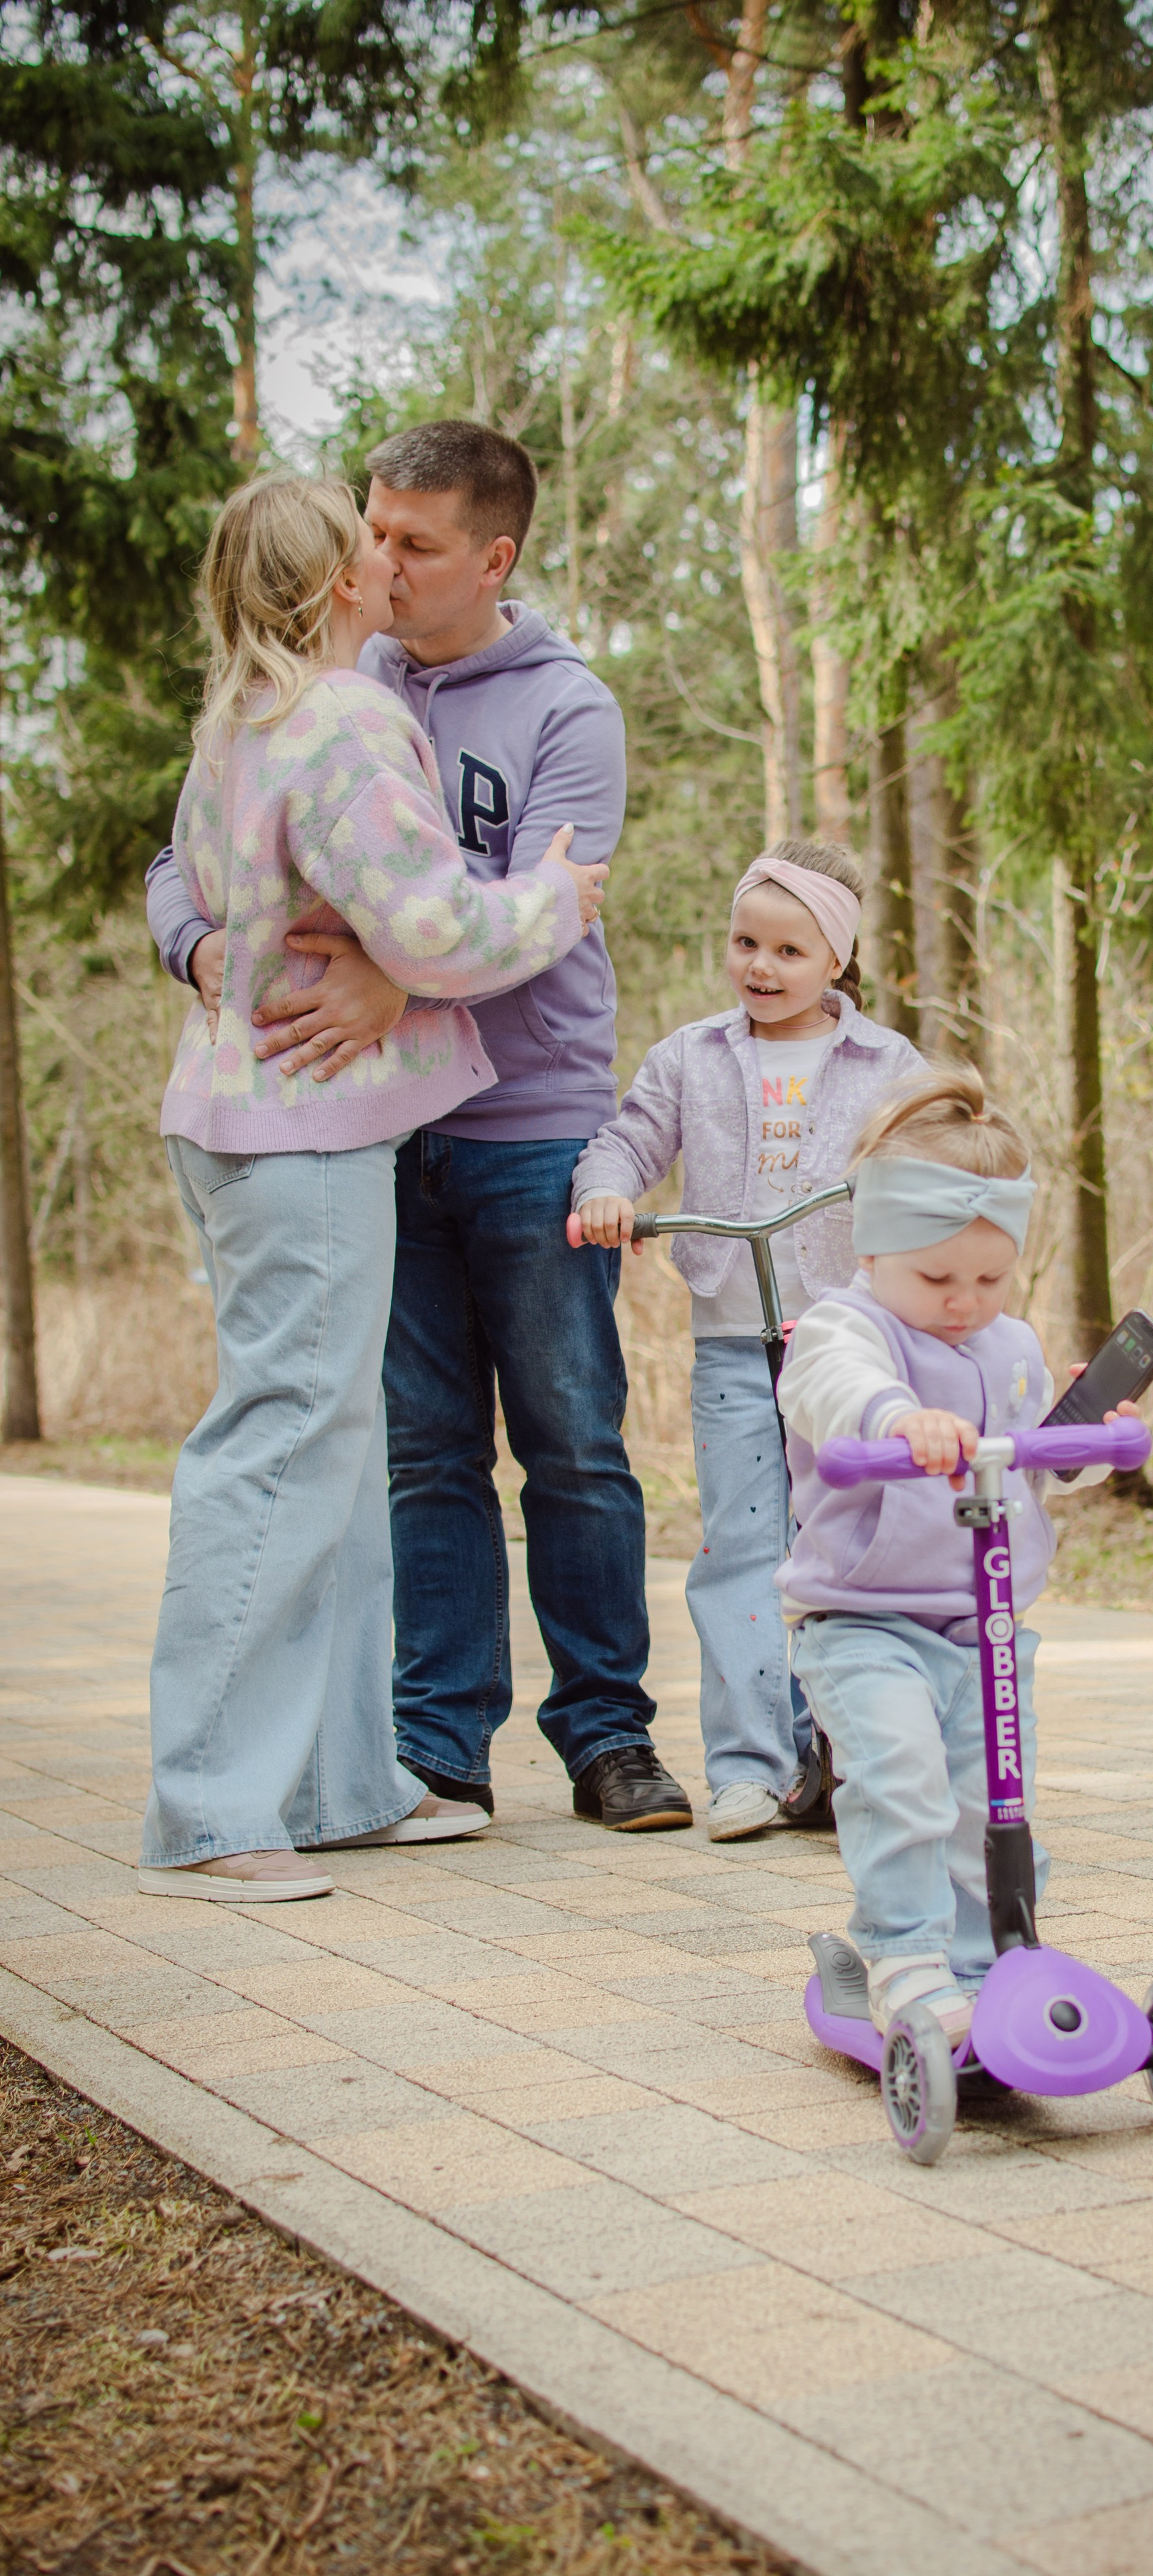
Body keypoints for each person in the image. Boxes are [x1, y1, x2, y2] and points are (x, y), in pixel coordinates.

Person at [146, 420, 691, 1834]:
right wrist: (210, 953)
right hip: (359, 1125)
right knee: (411, 1452)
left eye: (413, 541)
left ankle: (604, 1733)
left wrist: (397, 974)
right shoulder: (336, 688)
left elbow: (495, 905)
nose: (386, 560)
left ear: (491, 557)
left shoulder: (566, 708)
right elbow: (189, 865)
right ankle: (432, 1745)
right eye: (369, 534)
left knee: (571, 1443)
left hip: (525, 1118)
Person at [773, 1071, 1144, 2035]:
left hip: (986, 1626)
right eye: (937, 1279)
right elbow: (832, 1385)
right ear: (871, 1246)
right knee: (902, 1780)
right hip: (864, 1619)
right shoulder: (844, 1325)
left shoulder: (1008, 1342)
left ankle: (988, 1965)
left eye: (990, 1279)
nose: (964, 1303)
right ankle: (903, 1956)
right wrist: (899, 1418)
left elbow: (1032, 1466)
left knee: (991, 1801)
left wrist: (1085, 1439)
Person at [573, 844, 924, 1839]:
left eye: (789, 951)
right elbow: (629, 1139)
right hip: (733, 1335)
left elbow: (936, 1151)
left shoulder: (888, 1065)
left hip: (846, 1345)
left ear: (836, 961)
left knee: (843, 1545)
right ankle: (746, 1766)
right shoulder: (692, 1055)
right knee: (739, 1548)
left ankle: (844, 1753)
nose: (761, 967)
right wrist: (607, 1190)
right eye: (745, 943)